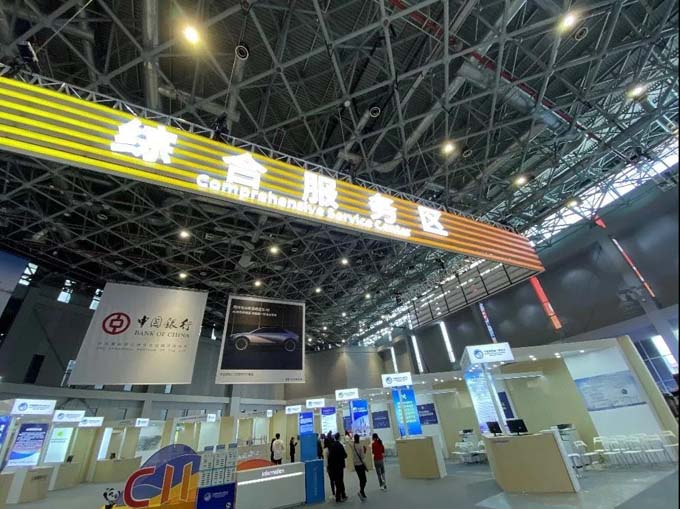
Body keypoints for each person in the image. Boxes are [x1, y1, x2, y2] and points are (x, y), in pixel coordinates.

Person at [327, 433, 348, 503]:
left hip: (334, 467)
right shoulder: (340, 446)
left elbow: (330, 457)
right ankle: (339, 496)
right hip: (340, 466)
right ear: (339, 438)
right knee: (340, 481)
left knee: (337, 481)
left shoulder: (332, 446)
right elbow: (345, 455)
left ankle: (342, 495)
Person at [352, 434, 368, 500]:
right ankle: (361, 491)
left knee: (360, 479)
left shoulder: (353, 445)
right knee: (364, 480)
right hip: (360, 465)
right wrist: (366, 467)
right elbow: (363, 458)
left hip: (355, 465)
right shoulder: (360, 446)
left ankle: (362, 492)